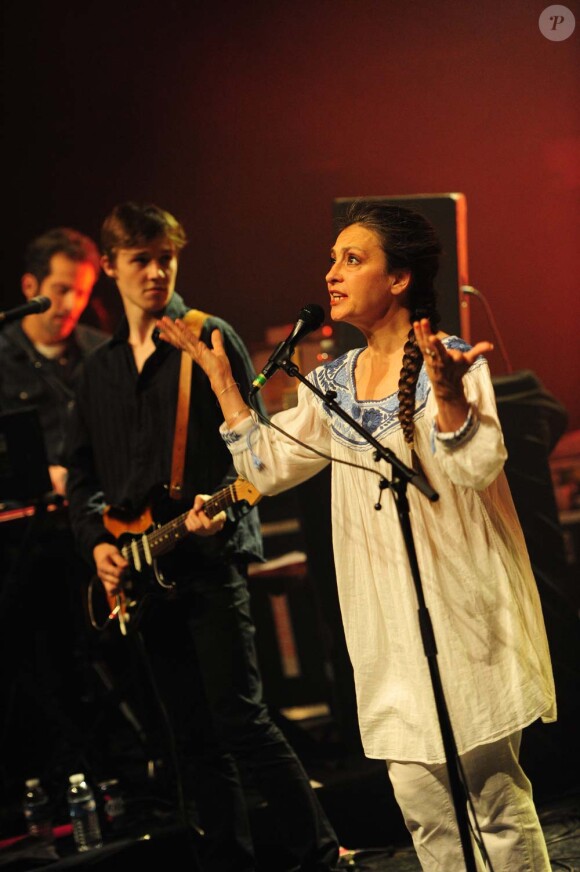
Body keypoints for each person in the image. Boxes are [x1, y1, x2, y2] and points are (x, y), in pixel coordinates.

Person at [157, 200, 557, 871]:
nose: (331, 274)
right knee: (422, 802)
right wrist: (224, 382)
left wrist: (449, 399)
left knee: (490, 796)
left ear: (398, 278)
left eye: (352, 259)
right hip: (386, 617)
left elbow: (477, 466)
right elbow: (267, 468)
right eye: (333, 259)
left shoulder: (452, 360)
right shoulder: (330, 381)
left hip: (461, 605)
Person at [64, 201, 341, 872]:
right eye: (141, 260)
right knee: (188, 739)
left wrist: (219, 512)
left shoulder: (208, 336)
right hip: (141, 570)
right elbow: (81, 476)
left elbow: (251, 447)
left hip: (210, 559)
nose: (156, 272)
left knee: (241, 720)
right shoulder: (96, 369)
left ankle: (322, 858)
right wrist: (98, 544)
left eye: (166, 258)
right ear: (111, 267)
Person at [0, 227, 108, 799]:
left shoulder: (98, 351)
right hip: (25, 542)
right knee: (44, 657)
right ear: (30, 287)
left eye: (82, 292)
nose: (71, 304)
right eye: (61, 290)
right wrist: (43, 475)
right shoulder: (2, 359)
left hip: (95, 527)